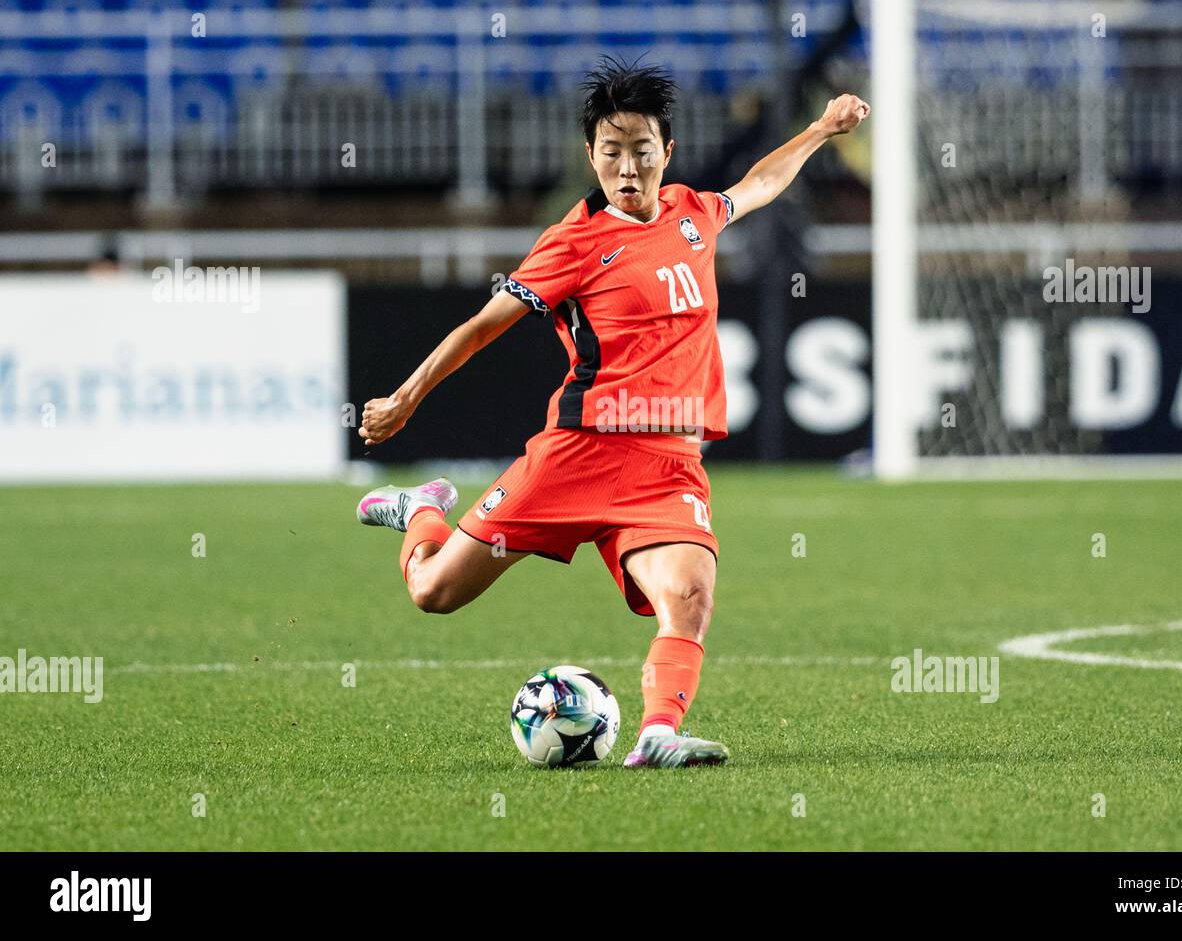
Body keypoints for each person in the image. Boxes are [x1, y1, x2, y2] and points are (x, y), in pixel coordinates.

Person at [356, 57, 869, 768]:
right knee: (433, 591)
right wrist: (408, 396)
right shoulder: (572, 243)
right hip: (578, 453)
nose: (627, 169)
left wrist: (819, 129)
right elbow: (481, 326)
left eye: (641, 151)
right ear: (590, 156)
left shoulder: (694, 214)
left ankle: (658, 733)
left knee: (688, 593)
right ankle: (420, 509)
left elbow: (759, 185)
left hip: (667, 465)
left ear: (668, 152)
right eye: (610, 153)